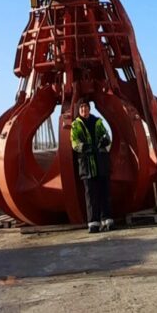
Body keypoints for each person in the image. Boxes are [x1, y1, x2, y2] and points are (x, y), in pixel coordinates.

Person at [70, 99, 113, 233]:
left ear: (89, 108)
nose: (84, 110)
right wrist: (85, 147)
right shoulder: (75, 125)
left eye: (86, 107)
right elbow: (74, 142)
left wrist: (105, 140)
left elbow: (106, 135)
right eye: (81, 108)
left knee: (104, 193)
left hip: (100, 163)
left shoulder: (98, 122)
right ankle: (93, 223)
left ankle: (107, 220)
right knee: (90, 195)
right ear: (79, 110)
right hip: (87, 166)